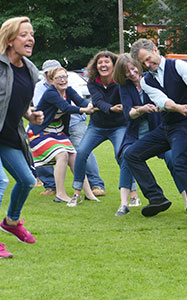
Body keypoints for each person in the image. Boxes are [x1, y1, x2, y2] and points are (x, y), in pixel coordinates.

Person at [126, 38, 187, 219]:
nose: (147, 64)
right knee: (132, 154)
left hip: (186, 124)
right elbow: (161, 100)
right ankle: (156, 198)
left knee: (178, 161)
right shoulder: (146, 81)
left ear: (155, 50)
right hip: (167, 125)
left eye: (148, 58)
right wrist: (178, 107)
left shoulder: (178, 66)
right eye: (143, 62)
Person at [113, 53, 187, 216]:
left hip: (159, 128)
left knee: (173, 159)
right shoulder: (125, 87)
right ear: (123, 74)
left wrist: (163, 106)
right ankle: (125, 203)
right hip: (136, 133)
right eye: (127, 72)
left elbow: (165, 100)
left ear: (138, 66)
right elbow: (128, 113)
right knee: (128, 155)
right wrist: (141, 109)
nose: (132, 73)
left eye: (133, 68)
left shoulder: (151, 79)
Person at [69, 51, 138, 208]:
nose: (103, 65)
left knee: (122, 155)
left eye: (107, 62)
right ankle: (77, 193)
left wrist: (122, 108)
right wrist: (112, 108)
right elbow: (98, 101)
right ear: (96, 66)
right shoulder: (92, 82)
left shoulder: (122, 81)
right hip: (97, 126)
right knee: (81, 153)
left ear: (114, 66)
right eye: (100, 63)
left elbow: (126, 101)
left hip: (119, 126)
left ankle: (133, 194)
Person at [0, 16, 44, 258]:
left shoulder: (30, 69)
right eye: (24, 34)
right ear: (9, 40)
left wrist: (30, 115)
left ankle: (11, 222)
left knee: (27, 180)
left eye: (32, 34)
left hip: (9, 137)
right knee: (0, 182)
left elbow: (18, 103)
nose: (30, 39)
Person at [32, 59, 106, 198]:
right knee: (61, 154)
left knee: (78, 153)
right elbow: (65, 107)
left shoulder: (69, 88)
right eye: (56, 76)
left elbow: (80, 100)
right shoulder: (48, 92)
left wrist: (88, 106)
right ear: (49, 77)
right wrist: (84, 109)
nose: (62, 79)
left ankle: (92, 189)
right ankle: (56, 190)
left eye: (64, 76)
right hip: (42, 131)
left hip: (66, 125)